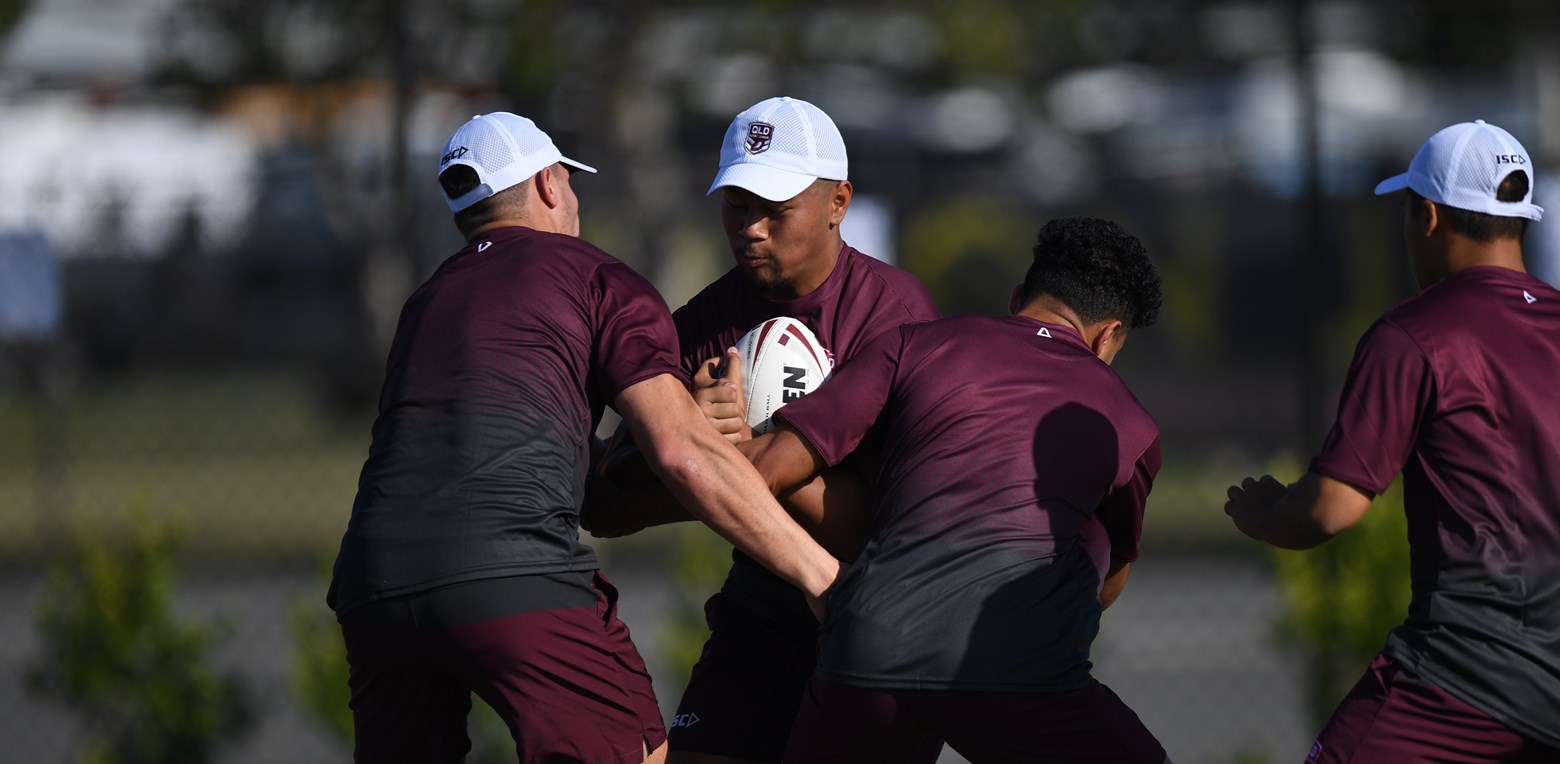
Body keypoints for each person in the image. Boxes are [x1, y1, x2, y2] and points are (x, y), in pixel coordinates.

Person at [325, 111, 840, 764]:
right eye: (569, 180)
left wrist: (676, 417)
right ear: (548, 183)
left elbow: (492, 444)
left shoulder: (427, 301)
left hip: (372, 585)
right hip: (513, 574)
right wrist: (822, 576)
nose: (574, 197)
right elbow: (682, 453)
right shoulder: (595, 276)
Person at [1223, 120, 1560, 763]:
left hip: (1464, 677)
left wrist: (1263, 515)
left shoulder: (1413, 335)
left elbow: (1330, 509)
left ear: (1427, 216)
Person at [581, 95, 941, 764]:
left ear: (838, 202)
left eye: (775, 209)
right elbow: (605, 507)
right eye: (737, 205)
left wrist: (733, 456)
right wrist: (681, 443)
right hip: (761, 605)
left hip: (883, 609)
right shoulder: (700, 324)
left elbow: (883, 528)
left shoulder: (898, 319)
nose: (751, 228)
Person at [737, 216, 1169, 763]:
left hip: (867, 651)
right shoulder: (1130, 423)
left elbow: (766, 470)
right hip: (1016, 673)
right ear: (1108, 337)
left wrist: (723, 436)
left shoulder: (914, 343)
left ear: (1018, 297)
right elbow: (1107, 581)